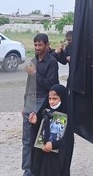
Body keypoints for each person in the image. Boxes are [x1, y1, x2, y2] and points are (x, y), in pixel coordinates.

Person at [22, 33, 59, 176]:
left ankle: (41, 169)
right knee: (26, 139)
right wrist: (25, 103)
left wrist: (35, 73)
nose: (37, 47)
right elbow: (29, 85)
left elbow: (51, 85)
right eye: (35, 45)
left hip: (43, 101)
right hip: (30, 101)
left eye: (40, 45)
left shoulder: (52, 62)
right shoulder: (33, 60)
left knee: (41, 138)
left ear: (47, 45)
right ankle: (27, 170)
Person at [28, 84, 73, 176]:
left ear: (62, 98)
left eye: (55, 99)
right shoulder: (45, 112)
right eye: (49, 98)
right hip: (43, 153)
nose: (51, 102)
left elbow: (68, 139)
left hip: (57, 156)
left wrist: (54, 145)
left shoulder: (67, 114)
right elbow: (38, 132)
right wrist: (35, 122)